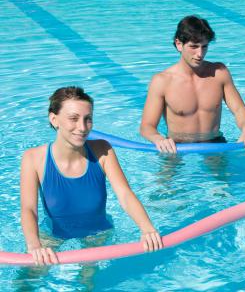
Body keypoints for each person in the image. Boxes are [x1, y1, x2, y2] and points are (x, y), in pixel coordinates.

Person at [20, 87, 163, 265]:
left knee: (89, 281)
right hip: (53, 237)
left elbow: (125, 195)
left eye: (88, 119)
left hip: (97, 235)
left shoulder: (103, 150)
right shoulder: (33, 158)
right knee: (30, 276)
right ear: (54, 119)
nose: (82, 127)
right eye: (73, 118)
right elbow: (28, 209)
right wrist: (34, 244)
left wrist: (147, 228)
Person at [140, 15, 245, 153]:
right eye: (194, 47)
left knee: (224, 175)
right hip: (175, 146)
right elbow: (147, 126)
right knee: (165, 175)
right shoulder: (162, 81)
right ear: (179, 44)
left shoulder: (219, 73)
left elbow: (239, 110)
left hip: (214, 143)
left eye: (204, 46)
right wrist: (158, 139)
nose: (200, 54)